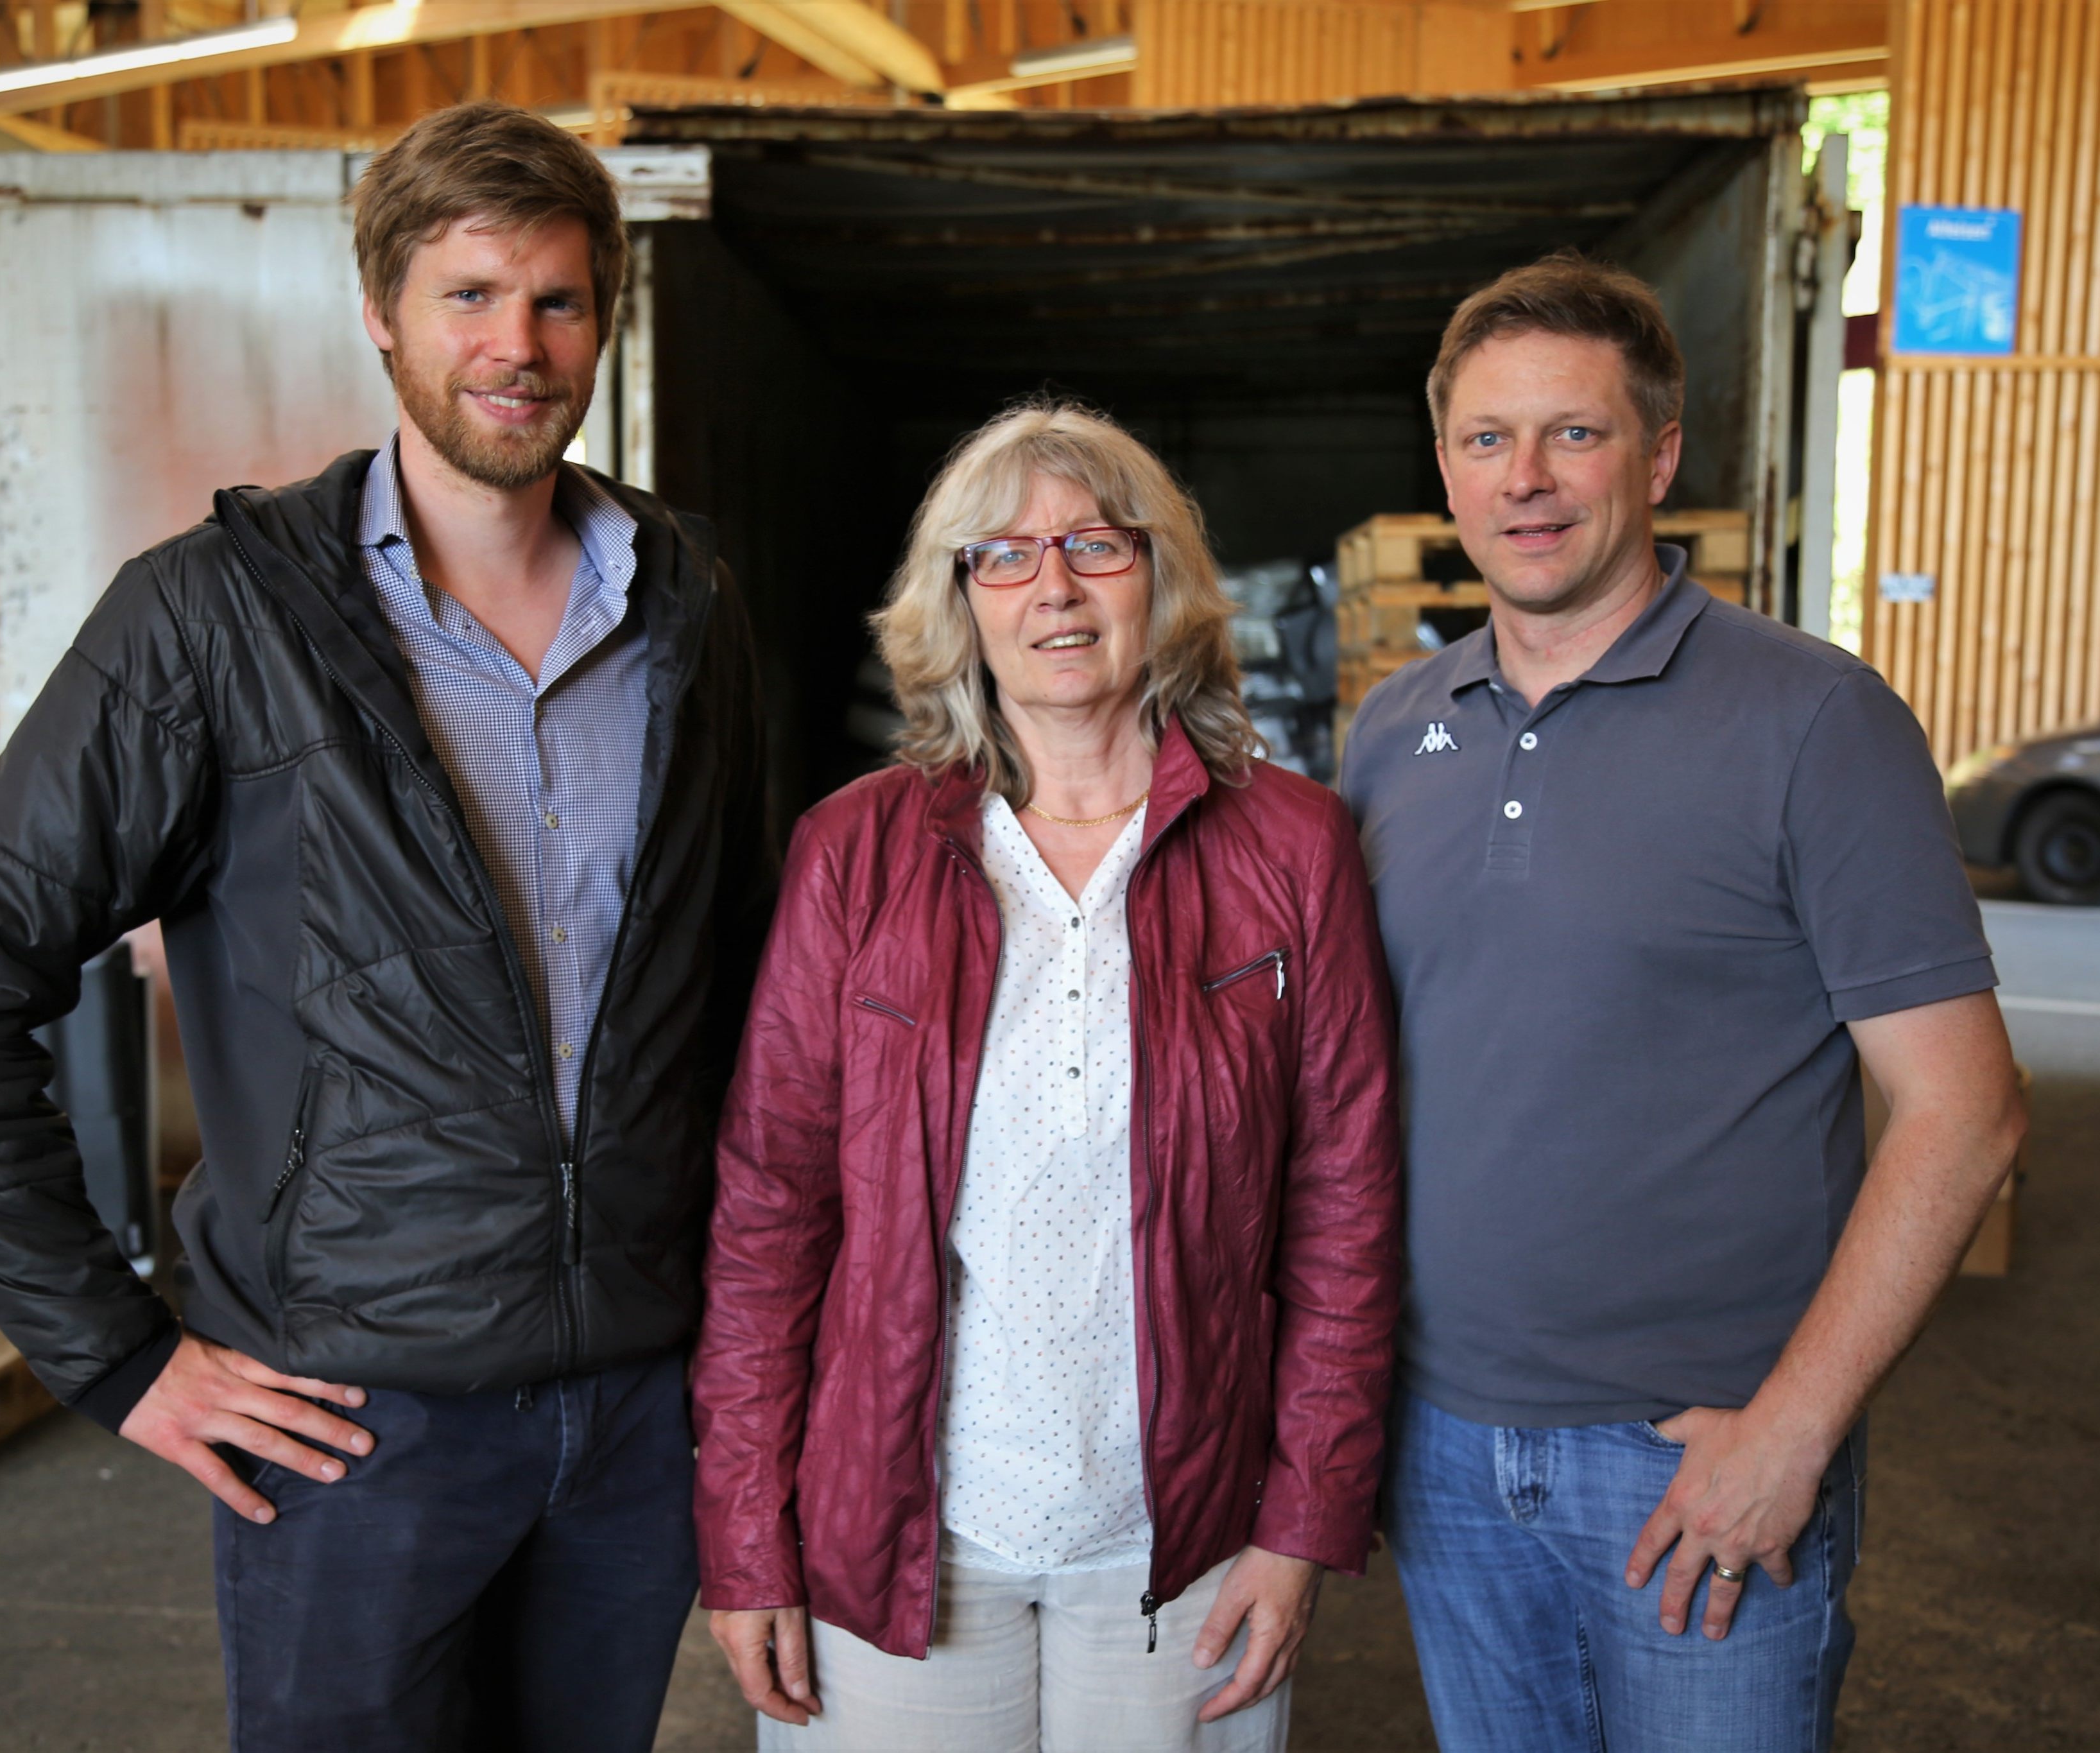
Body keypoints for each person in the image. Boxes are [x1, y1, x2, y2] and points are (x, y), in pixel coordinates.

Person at [0, 101, 768, 1752]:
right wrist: (122, 1359)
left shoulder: (689, 602)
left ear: (605, 318)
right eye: (470, 296)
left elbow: (745, 983)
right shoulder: (215, 616)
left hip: (641, 1404)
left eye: (559, 300)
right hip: (357, 1423)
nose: (518, 345)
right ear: (382, 312)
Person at [1339, 253, 2029, 1752]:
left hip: (1700, 1455)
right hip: (1444, 1444)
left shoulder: (1814, 722)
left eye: (1574, 434)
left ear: (1658, 456)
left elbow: (1965, 1109)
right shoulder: (1396, 730)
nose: (1525, 479)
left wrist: (1795, 1428)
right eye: (1484, 438)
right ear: (1445, 463)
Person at [691, 401, 1400, 1753]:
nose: (1054, 587)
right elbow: (770, 1210)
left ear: (1164, 575)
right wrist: (746, 1534)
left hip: (1184, 1532)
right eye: (1003, 555)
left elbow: (1346, 1213)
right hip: (905, 1522)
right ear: (959, 599)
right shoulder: (856, 852)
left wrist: (1303, 1521)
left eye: (1094, 544)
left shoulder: (1293, 849)